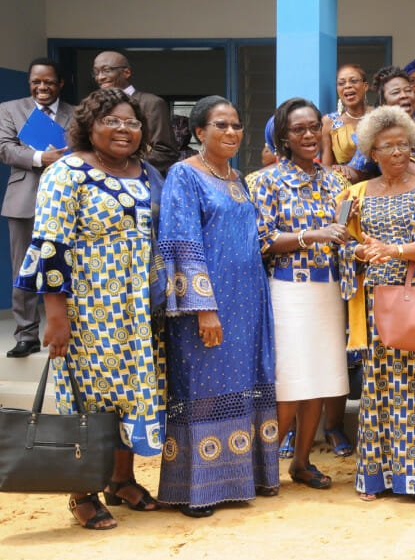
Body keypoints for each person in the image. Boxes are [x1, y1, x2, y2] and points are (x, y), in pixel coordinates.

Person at [14, 87, 165, 529]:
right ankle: (81, 490)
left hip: (136, 310)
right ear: (90, 125)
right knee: (88, 398)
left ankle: (122, 479)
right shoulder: (67, 173)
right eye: (112, 121)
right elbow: (49, 246)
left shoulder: (145, 173)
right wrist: (55, 317)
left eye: (132, 123)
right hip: (87, 312)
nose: (123, 130)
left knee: (131, 393)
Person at [157, 95, 278, 517]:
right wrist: (203, 307)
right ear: (199, 133)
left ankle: (247, 477)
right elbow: (180, 242)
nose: (231, 132)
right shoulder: (183, 176)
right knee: (204, 389)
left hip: (247, 302)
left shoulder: (237, 178)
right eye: (221, 125)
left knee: (244, 383)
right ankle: (198, 488)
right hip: (208, 305)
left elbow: (255, 239)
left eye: (236, 125)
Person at [340, 105, 415, 504]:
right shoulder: (356, 194)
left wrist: (395, 250)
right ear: (372, 152)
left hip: (413, 298)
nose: (399, 153)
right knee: (376, 388)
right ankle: (375, 476)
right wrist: (359, 252)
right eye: (389, 147)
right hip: (370, 304)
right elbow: (343, 243)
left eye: (404, 145)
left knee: (414, 387)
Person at [253, 97, 352, 489]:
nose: (310, 135)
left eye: (314, 127)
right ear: (283, 137)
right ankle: (263, 469)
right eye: (299, 130)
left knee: (321, 378)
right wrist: (313, 235)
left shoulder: (335, 182)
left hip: (328, 288)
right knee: (290, 379)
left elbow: (346, 232)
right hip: (288, 290)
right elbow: (261, 240)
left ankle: (302, 462)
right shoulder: (266, 181)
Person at [0, 58, 73, 358]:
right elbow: (5, 148)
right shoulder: (9, 109)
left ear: (60, 84)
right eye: (36, 82)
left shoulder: (77, 113)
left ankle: (72, 331)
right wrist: (41, 158)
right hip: (24, 198)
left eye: (48, 82)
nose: (42, 87)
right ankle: (26, 334)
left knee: (69, 266)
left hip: (68, 200)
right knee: (22, 269)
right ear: (30, 82)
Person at [345, 66, 415, 181]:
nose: (404, 95)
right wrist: (342, 173)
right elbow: (358, 170)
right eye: (396, 92)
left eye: (408, 90)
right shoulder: (375, 132)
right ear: (383, 102)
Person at [92, 51, 178, 172]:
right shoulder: (95, 106)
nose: (100, 77)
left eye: (107, 70)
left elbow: (166, 153)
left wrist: (122, 166)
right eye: (96, 72)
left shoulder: (151, 103)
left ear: (126, 72)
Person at [321, 64, 372, 182]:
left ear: (365, 86)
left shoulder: (379, 116)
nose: (347, 86)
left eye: (353, 81)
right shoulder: (329, 122)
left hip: (377, 187)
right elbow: (326, 168)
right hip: (344, 187)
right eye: (341, 83)